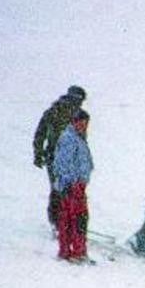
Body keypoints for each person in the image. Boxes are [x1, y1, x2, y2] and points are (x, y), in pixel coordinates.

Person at [33, 85, 87, 230]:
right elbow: (40, 133)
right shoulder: (53, 112)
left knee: (70, 191)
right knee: (59, 190)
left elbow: (82, 140)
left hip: (70, 160)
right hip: (55, 157)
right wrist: (38, 154)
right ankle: (58, 222)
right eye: (79, 101)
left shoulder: (80, 115)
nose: (79, 104)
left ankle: (66, 221)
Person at [52, 109, 94, 263]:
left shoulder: (79, 138)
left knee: (79, 219)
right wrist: (70, 183)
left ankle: (78, 251)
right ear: (75, 122)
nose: (84, 126)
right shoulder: (69, 138)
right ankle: (71, 252)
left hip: (78, 186)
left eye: (86, 124)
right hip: (71, 186)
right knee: (73, 220)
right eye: (82, 123)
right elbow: (63, 164)